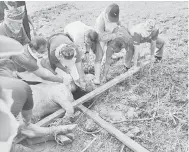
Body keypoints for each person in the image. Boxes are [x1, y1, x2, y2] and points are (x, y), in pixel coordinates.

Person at [0, 35, 76, 152]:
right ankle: (53, 133)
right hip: (24, 107)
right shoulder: (61, 88)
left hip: (23, 108)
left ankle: (47, 136)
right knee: (20, 127)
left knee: (22, 129)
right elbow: (69, 109)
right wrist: (66, 120)